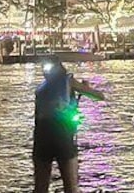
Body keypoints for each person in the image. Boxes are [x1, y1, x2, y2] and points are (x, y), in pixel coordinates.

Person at [33, 56, 105, 193]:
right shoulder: (68, 81)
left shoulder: (40, 89)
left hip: (42, 138)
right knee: (71, 186)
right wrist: (86, 88)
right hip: (62, 137)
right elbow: (99, 96)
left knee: (40, 187)